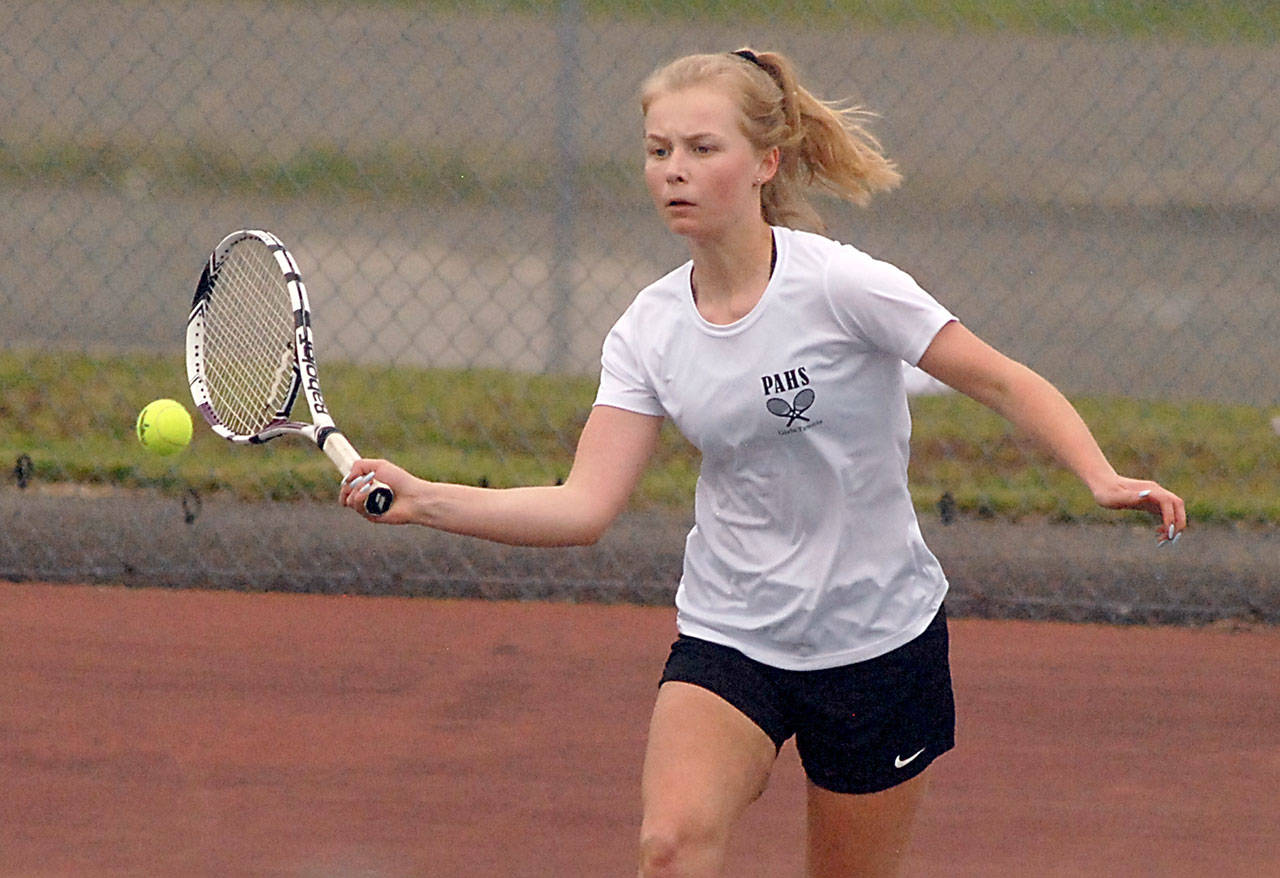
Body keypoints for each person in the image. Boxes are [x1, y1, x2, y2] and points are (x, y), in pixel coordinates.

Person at [340, 47, 1186, 877]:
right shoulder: (648, 330)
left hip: (876, 640)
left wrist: (1099, 474)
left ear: (764, 163)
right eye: (658, 150)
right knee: (670, 847)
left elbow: (1000, 379)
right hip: (732, 632)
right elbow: (583, 506)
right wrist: (425, 498)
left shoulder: (843, 286)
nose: (675, 170)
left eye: (702, 148)